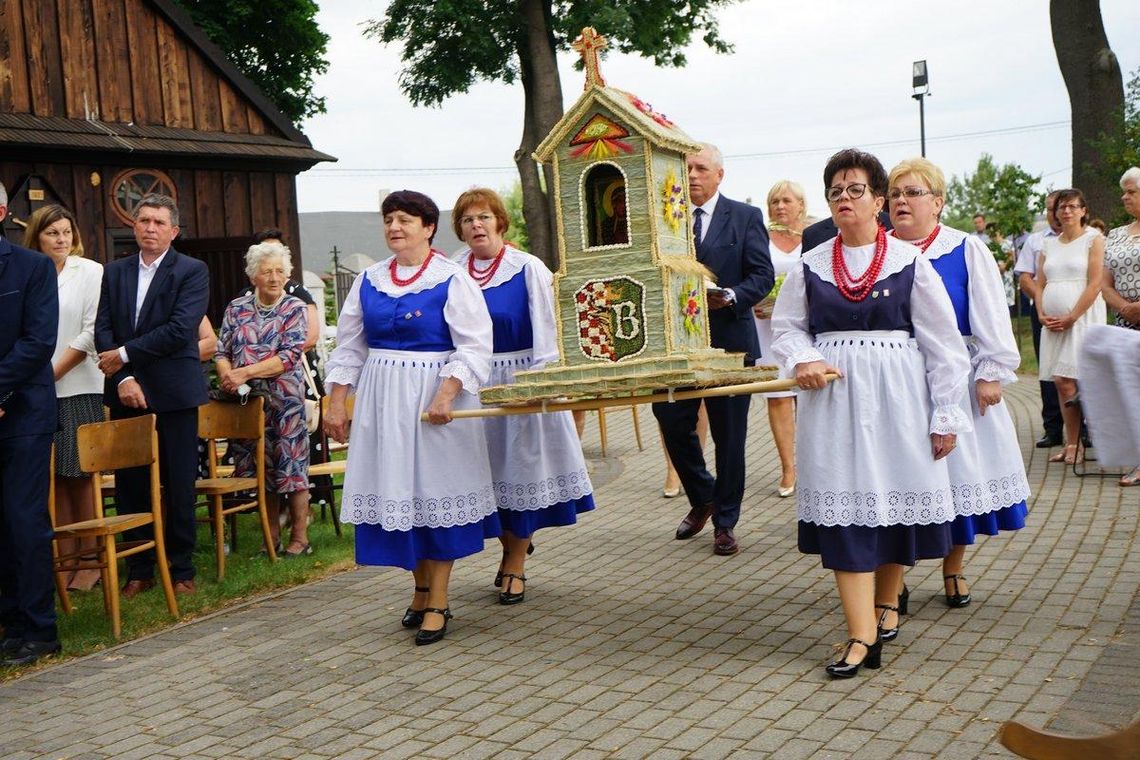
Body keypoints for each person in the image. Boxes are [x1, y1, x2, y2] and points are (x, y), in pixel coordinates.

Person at [771, 149, 971, 678]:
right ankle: (862, 634)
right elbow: (787, 327)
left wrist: (945, 414)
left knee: (890, 503)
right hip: (835, 403)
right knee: (847, 508)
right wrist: (805, 357)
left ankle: (886, 605)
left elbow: (945, 345)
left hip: (899, 399)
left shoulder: (910, 264)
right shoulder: (810, 266)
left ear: (879, 200)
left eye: (855, 189)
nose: (844, 198)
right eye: (835, 190)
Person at [323, 190, 497, 646]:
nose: (394, 227)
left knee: (435, 493)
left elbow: (475, 345)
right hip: (382, 401)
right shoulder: (369, 280)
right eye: (388, 219)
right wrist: (337, 401)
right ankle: (419, 591)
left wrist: (446, 393)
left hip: (432, 401)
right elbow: (349, 346)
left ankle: (439, 599)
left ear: (428, 227)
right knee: (400, 492)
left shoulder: (452, 279)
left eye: (404, 219)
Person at [886, 158, 1029, 617]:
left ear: (938, 202)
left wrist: (990, 372)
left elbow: (989, 312)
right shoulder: (879, 251)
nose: (902, 201)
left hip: (960, 374)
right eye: (894, 194)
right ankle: (895, 577)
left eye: (913, 193)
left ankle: (953, 566)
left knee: (957, 475)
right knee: (901, 475)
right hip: (899, 380)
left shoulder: (965, 248)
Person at [452, 188, 595, 604]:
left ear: (500, 221)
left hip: (518, 378)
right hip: (472, 382)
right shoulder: (451, 271)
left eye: (483, 217)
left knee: (520, 474)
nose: (476, 225)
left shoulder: (526, 268)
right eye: (467, 220)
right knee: (487, 477)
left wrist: (538, 385)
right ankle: (510, 549)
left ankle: (515, 562)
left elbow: (548, 332)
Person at [652, 143, 774, 557]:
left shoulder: (745, 217)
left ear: (720, 174)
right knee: (669, 416)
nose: (692, 176)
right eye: (685, 168)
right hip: (676, 348)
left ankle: (725, 522)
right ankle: (703, 495)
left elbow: (762, 274)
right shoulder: (663, 218)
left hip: (731, 342)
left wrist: (733, 295)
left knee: (730, 438)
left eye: (701, 168)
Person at [94, 194, 209, 598]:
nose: (150, 228)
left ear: (173, 231)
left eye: (159, 222)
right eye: (144, 220)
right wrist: (123, 376)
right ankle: (139, 569)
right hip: (127, 393)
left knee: (178, 482)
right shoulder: (115, 272)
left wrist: (124, 354)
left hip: (175, 392)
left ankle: (180, 569)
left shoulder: (192, 271)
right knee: (131, 485)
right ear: (134, 225)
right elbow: (103, 329)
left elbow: (180, 330)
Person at [23, 205, 104, 592]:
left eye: (66, 232)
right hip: (34, 390)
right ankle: (66, 558)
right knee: (53, 477)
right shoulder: (29, 272)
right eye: (52, 233)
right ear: (36, 237)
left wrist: (48, 374)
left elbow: (90, 332)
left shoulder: (89, 271)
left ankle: (91, 560)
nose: (61, 240)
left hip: (78, 384)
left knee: (79, 474)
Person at [217, 242, 312, 556]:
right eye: (267, 271)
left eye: (280, 271)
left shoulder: (294, 308)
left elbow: (288, 356)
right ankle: (270, 539)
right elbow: (222, 351)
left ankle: (300, 538)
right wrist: (228, 374)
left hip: (285, 402)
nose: (274, 277)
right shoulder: (236, 308)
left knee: (291, 469)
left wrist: (243, 373)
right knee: (262, 470)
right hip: (247, 403)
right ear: (253, 275)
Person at [0, 181, 62, 667]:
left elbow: (38, 343)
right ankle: (10, 625)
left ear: (2, 211)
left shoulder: (33, 267)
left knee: (23, 521)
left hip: (23, 412)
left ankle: (40, 630)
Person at [1036, 188, 1106, 465]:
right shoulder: (1048, 244)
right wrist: (1042, 313)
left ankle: (1103, 439)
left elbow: (1095, 282)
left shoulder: (1093, 239)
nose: (1066, 212)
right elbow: (1040, 283)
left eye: (1073, 206)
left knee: (1082, 382)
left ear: (1083, 210)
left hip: (1082, 319)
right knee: (1062, 383)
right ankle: (1072, 443)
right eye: (1062, 207)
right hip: (1052, 324)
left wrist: (1073, 315)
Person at [752, 180, 806, 497]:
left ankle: (812, 463)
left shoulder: (812, 238)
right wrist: (759, 299)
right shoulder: (761, 239)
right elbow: (754, 274)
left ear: (801, 204)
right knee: (779, 396)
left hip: (803, 326)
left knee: (807, 396)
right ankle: (788, 468)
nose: (780, 206)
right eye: (774, 201)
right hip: (766, 327)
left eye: (786, 200)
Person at [1014, 192, 1064, 448]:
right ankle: (1053, 428)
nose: (1053, 214)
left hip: (1077, 312)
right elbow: (1025, 277)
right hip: (1041, 312)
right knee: (1047, 367)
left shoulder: (1088, 238)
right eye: (1048, 209)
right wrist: (1042, 300)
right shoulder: (1036, 241)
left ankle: (1085, 429)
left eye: (1057, 208)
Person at [1101, 166, 1140, 486]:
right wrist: (1125, 307)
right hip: (1123, 322)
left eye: (1131, 191)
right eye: (1124, 191)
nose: (1124, 197)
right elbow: (1104, 282)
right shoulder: (1115, 234)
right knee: (1130, 392)